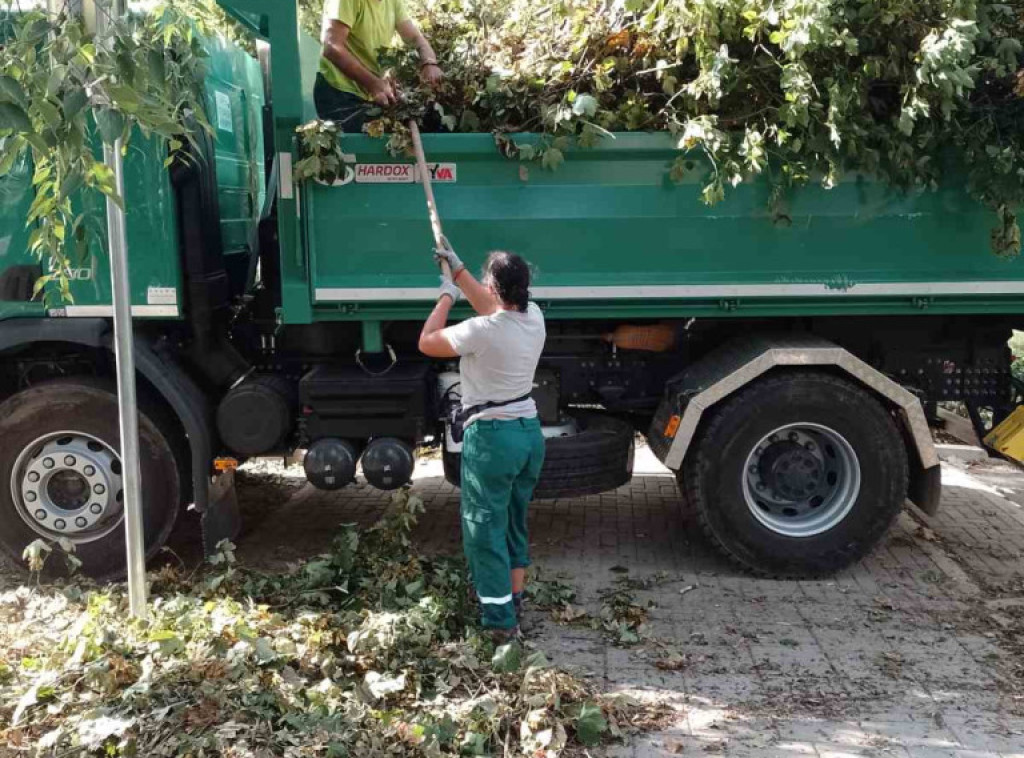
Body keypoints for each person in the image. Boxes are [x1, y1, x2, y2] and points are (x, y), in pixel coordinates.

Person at [418, 245, 546, 641]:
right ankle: (515, 603)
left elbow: (427, 341)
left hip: (493, 440)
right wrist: (458, 270)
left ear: (493, 288)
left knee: (484, 529)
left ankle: (500, 625)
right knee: (513, 522)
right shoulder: (533, 315)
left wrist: (446, 294)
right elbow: (493, 306)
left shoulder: (481, 331)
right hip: (528, 434)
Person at [317, 0, 444, 132]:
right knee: (363, 141)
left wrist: (429, 63)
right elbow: (331, 47)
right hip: (338, 93)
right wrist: (373, 84)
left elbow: (415, 38)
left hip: (368, 94)